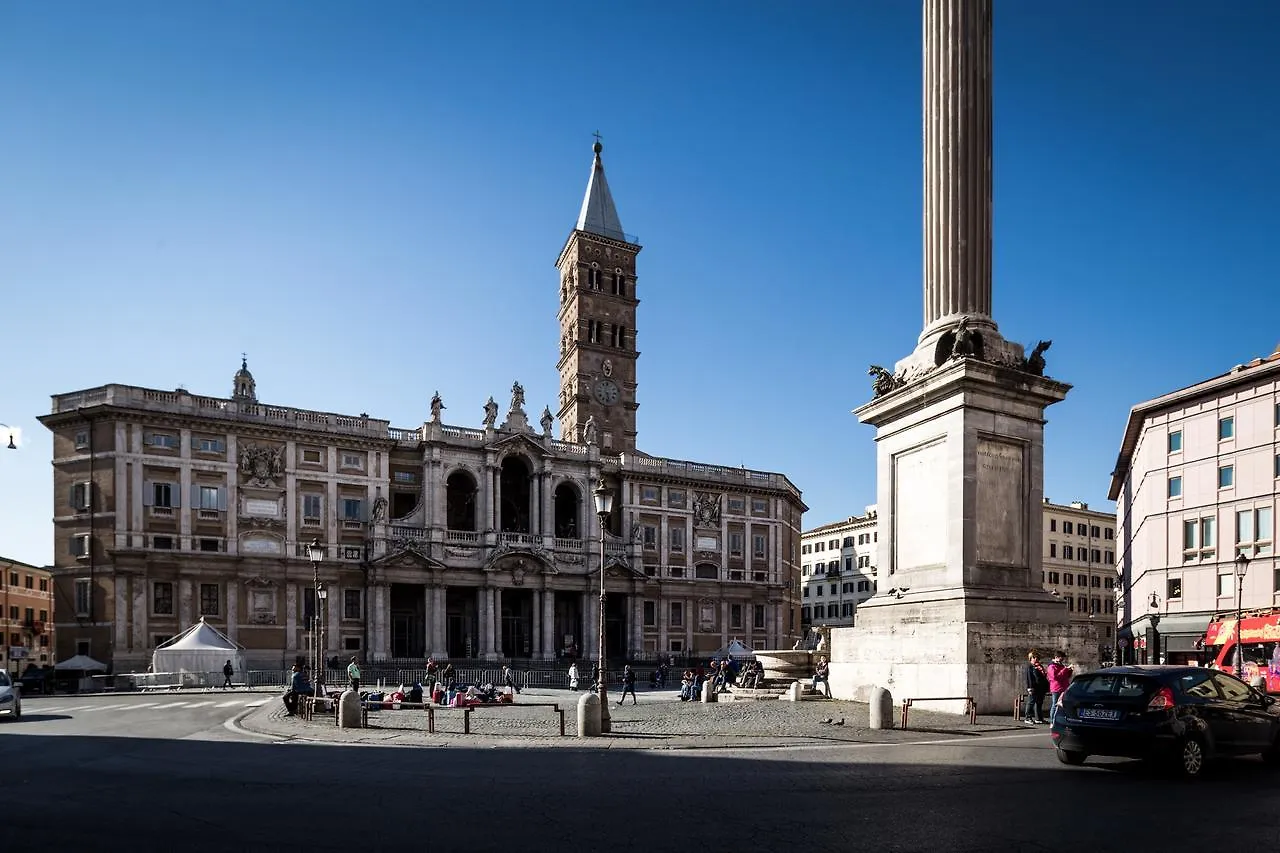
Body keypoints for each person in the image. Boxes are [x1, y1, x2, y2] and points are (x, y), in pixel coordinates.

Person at [1045, 653, 1073, 725]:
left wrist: (1069, 670)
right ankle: (1052, 721)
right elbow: (1055, 677)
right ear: (1056, 657)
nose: (1062, 659)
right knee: (1055, 705)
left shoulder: (1061, 665)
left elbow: (1066, 676)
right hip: (1056, 688)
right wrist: (1065, 669)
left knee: (1063, 705)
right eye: (1061, 658)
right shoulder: (1051, 666)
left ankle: (1060, 720)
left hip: (1064, 687)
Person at [1024, 651, 1050, 725]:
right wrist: (1030, 687)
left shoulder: (1039, 666)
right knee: (1031, 702)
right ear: (1030, 658)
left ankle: (1039, 718)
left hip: (1041, 688)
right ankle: (1028, 717)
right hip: (1034, 687)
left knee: (1039, 703)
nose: (1036, 659)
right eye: (1034, 657)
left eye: (1037, 657)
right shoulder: (1030, 667)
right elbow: (1029, 677)